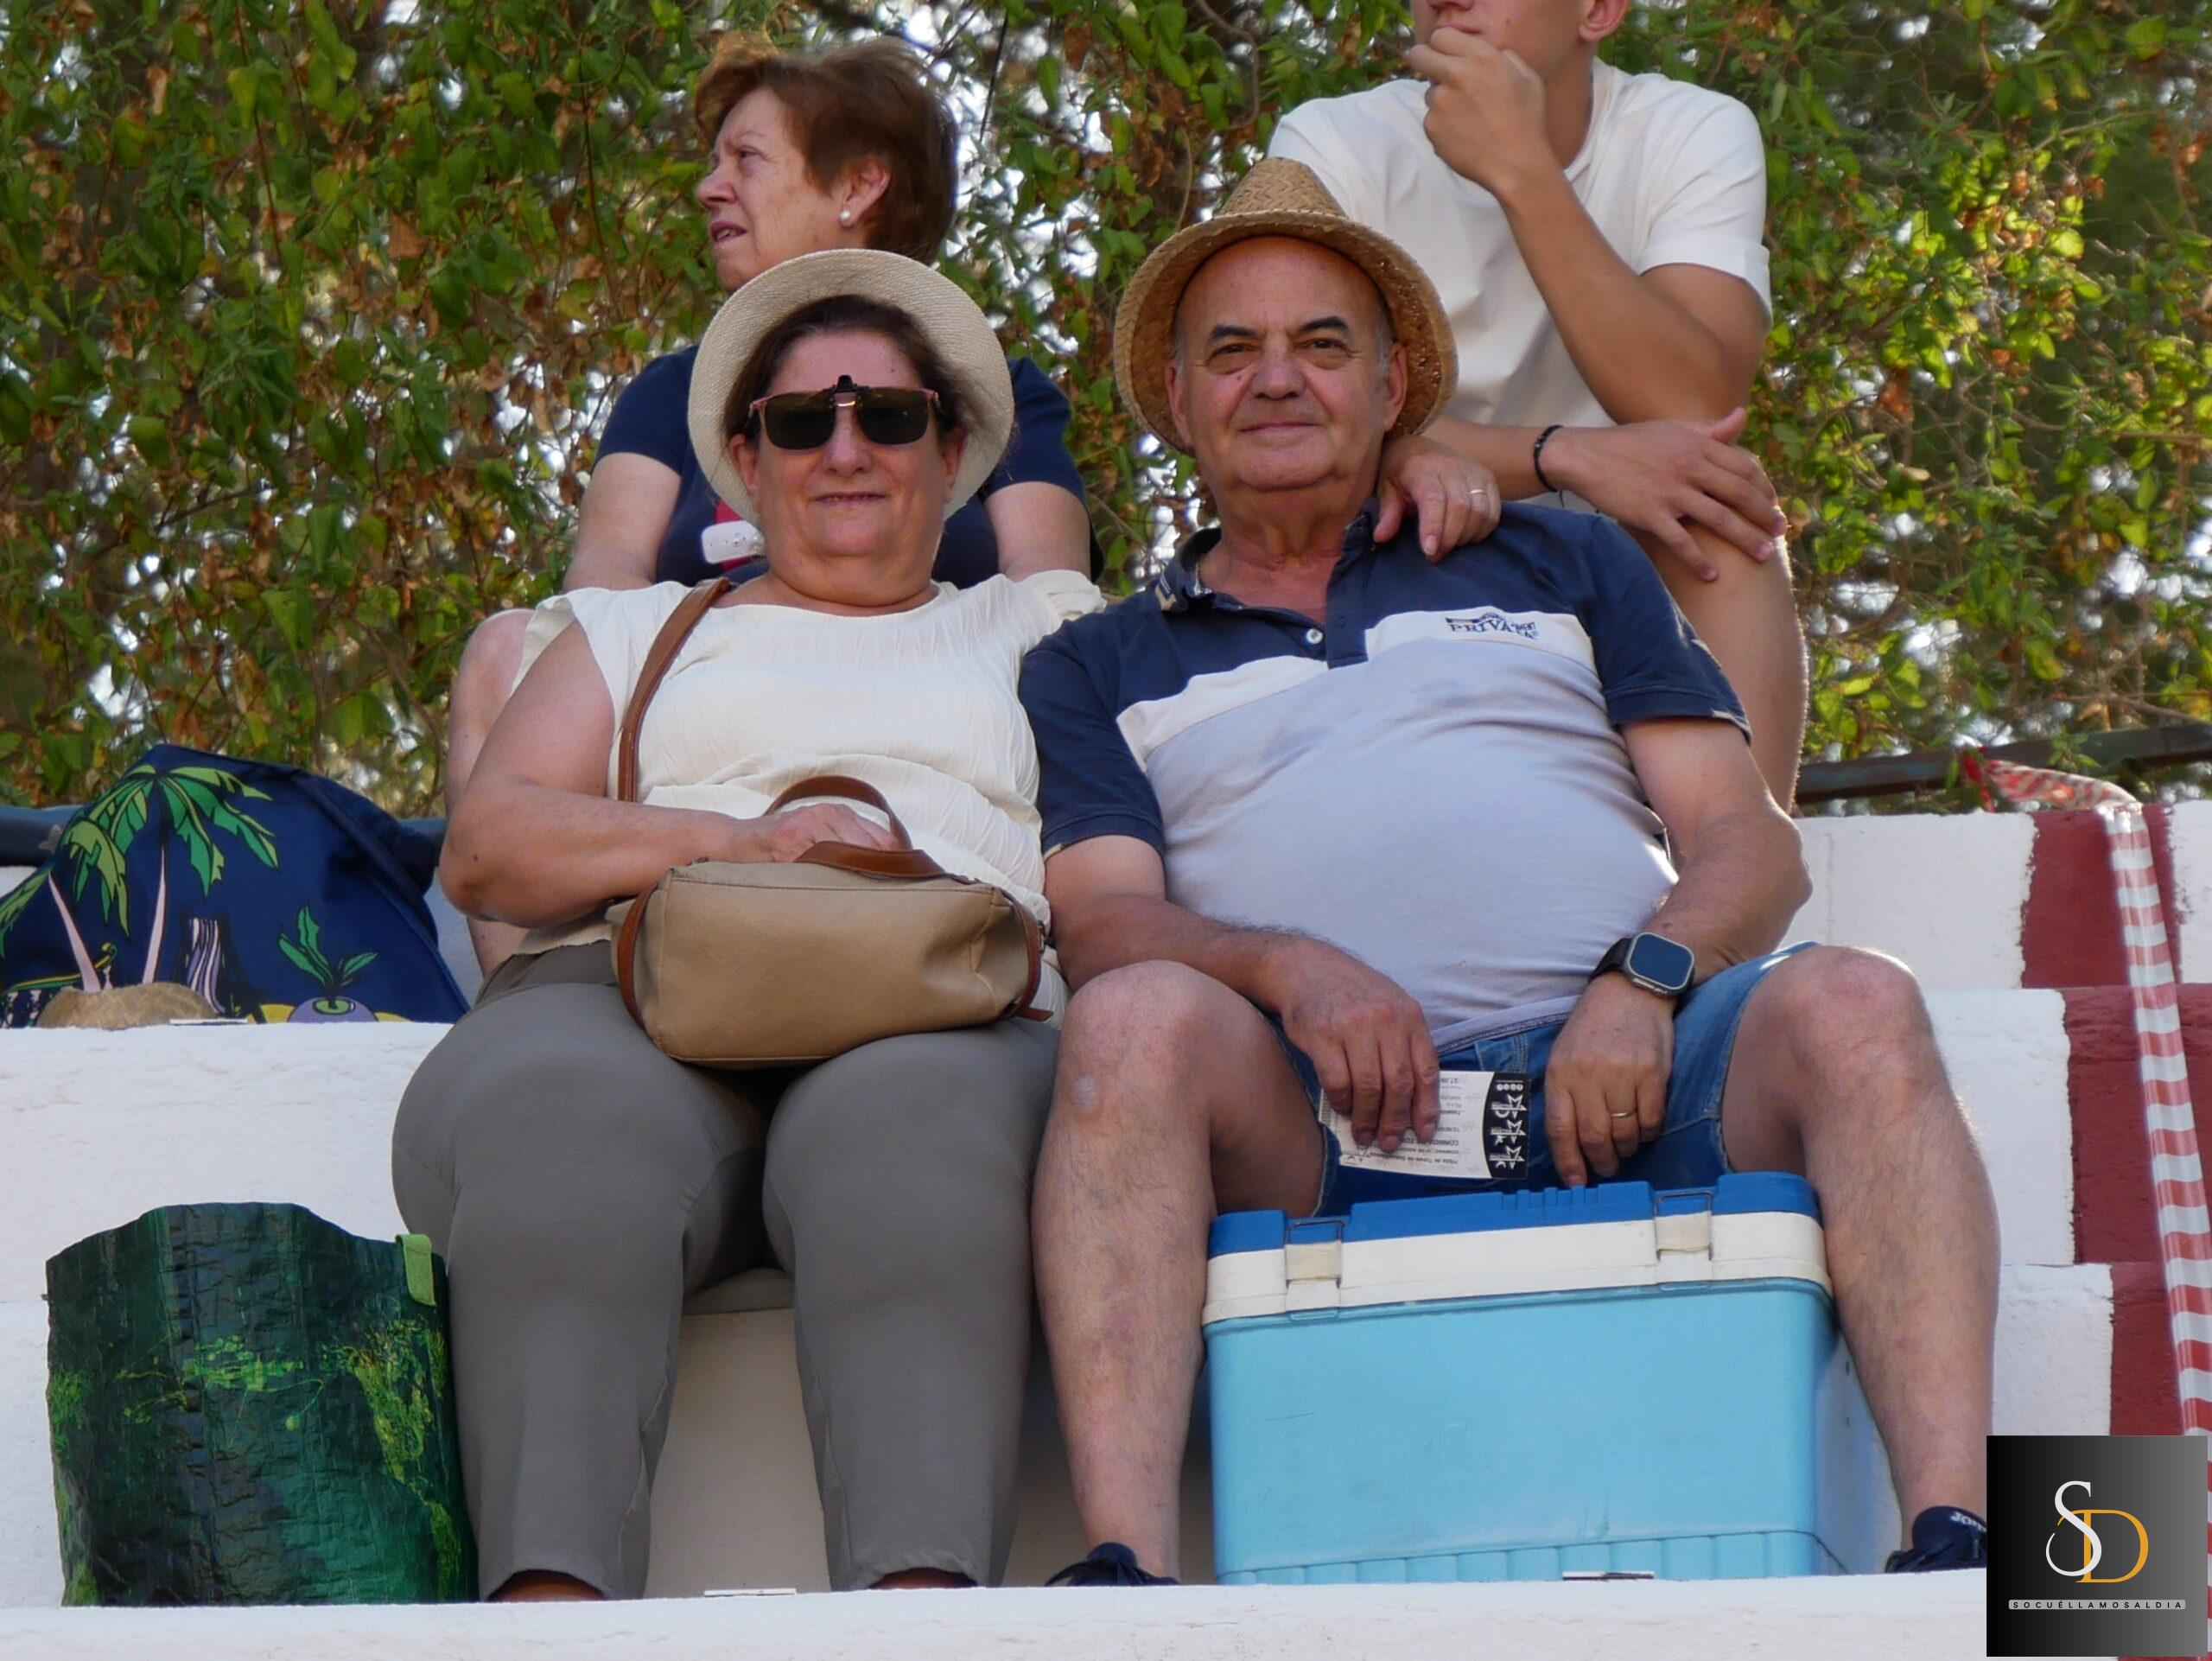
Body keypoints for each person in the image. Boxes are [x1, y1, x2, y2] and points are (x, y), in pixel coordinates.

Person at [1018, 162, 1997, 1588]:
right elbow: (1105, 922)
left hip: (1643, 1079)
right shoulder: (1095, 660)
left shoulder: (1562, 557)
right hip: (1325, 1115)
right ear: (1177, 397)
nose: (1277, 378)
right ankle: (1125, 1570)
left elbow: (1749, 841)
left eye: (1322, 344)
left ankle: (1959, 1541)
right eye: (1232, 350)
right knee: (1125, 1022)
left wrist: (1643, 982)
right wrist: (1290, 967)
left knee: (1859, 999)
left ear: (1393, 385)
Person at [394, 249, 1099, 1601]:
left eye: (890, 415)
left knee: (912, 1148)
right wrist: (735, 842)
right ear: (741, 461)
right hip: (639, 987)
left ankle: (917, 1619)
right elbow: (490, 846)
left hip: (942, 1001)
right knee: (559, 1131)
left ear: (953, 454)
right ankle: (548, 1615)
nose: (847, 447)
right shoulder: (633, 628)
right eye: (802, 419)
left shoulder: (1041, 625)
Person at [443, 34, 1093, 971]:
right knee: (510, 648)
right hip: (708, 735)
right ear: (745, 454)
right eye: (794, 424)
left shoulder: (997, 393)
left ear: (859, 185)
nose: (709, 189)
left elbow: (1049, 588)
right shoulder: (674, 394)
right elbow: (608, 572)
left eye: (744, 160)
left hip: (931, 721)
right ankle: (536, 983)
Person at [1268, 0, 1808, 801]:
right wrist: (1562, 454)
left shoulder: (1689, 130)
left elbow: (1694, 403)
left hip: (1622, 538)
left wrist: (1522, 169)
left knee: (1715, 500)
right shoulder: (1333, 143)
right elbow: (1299, 415)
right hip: (1403, 520)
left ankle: (1742, 853)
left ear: (1598, 10)